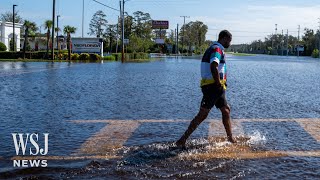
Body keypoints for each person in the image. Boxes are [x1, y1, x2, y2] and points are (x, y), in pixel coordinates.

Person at [176, 30, 235, 148]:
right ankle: (182, 140)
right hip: (213, 87)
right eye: (229, 40)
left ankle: (230, 139)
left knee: (226, 110)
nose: (229, 43)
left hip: (216, 87)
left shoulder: (214, 48)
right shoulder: (217, 49)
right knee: (203, 114)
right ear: (223, 38)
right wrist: (218, 83)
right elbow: (214, 65)